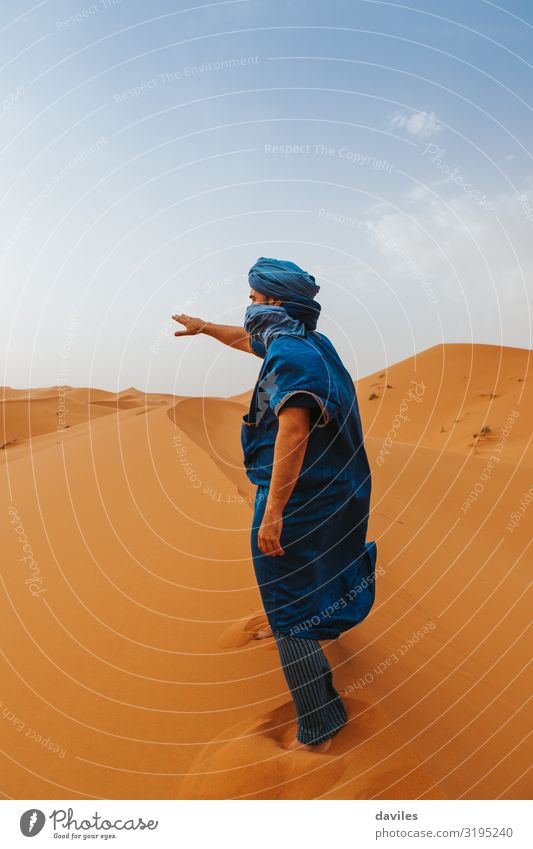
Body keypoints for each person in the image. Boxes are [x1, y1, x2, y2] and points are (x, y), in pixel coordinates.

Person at [172, 257, 377, 753]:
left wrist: (274, 513)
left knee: (288, 606)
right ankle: (320, 620)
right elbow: (249, 341)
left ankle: (320, 722)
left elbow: (293, 431)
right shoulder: (308, 344)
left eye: (253, 299)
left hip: (303, 499)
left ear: (275, 303)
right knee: (321, 574)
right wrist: (205, 329)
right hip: (338, 486)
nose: (247, 308)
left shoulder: (294, 358)